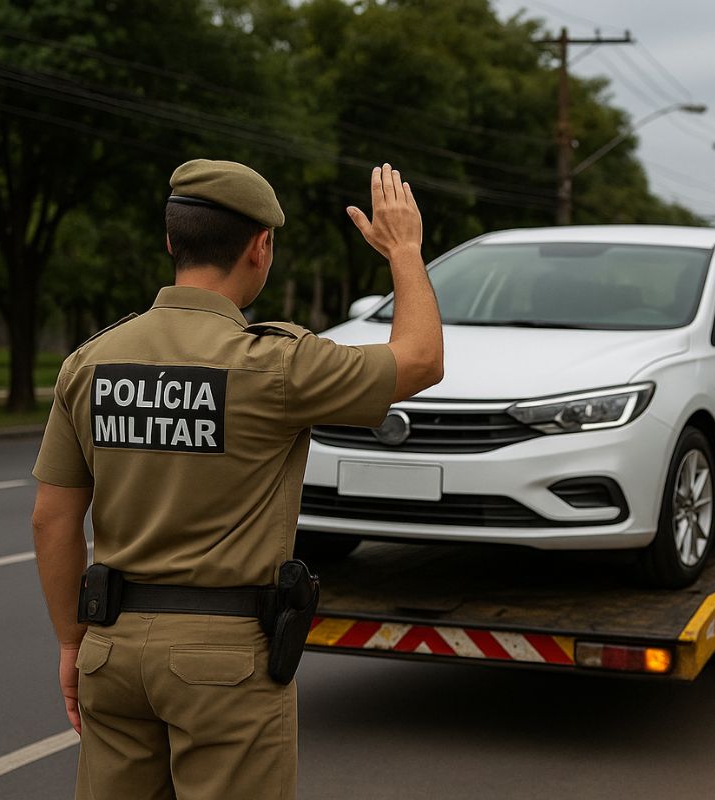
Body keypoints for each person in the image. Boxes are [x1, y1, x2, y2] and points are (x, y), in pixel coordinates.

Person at [31, 159, 442, 798]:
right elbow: (420, 360)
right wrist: (405, 250)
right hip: (222, 660)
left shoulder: (90, 362)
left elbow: (52, 517)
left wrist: (70, 642)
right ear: (261, 246)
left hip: (109, 650)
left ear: (172, 241)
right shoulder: (275, 365)